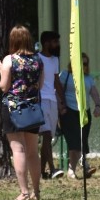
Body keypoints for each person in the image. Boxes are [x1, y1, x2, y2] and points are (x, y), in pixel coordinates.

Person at [0, 25, 44, 200]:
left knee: (18, 149)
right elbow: (40, 85)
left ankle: (24, 192)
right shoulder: (38, 60)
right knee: (33, 151)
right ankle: (37, 191)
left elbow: (4, 86)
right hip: (33, 109)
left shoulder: (10, 60)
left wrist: (2, 71)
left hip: (13, 108)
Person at [57, 53, 100, 180]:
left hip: (84, 112)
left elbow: (94, 93)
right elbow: (57, 91)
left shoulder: (88, 78)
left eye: (86, 63)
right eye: (80, 63)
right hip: (68, 112)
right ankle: (73, 169)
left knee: (82, 142)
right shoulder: (65, 75)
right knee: (75, 143)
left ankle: (83, 165)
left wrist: (98, 106)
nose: (83, 66)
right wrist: (60, 107)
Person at [38, 31, 64, 179]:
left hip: (53, 101)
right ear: (47, 43)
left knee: (48, 139)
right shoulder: (37, 58)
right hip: (41, 100)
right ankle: (53, 168)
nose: (57, 45)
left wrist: (62, 101)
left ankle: (42, 172)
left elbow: (56, 81)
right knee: (47, 135)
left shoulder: (55, 60)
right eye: (55, 42)